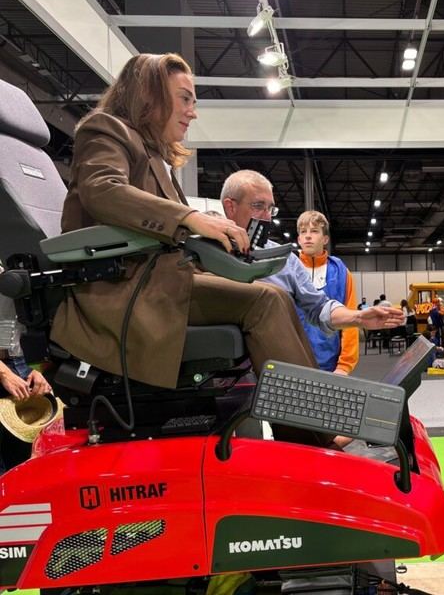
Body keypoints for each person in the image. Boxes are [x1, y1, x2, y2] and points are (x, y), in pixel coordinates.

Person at [50, 53, 401, 445]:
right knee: (264, 301)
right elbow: (103, 191)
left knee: (273, 295)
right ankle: (310, 434)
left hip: (156, 285)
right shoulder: (105, 128)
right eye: (185, 99)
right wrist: (190, 218)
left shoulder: (155, 156)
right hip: (123, 294)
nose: (192, 112)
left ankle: (316, 419)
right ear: (150, 94)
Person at [219, 170, 402, 359]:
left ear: (325, 239)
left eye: (270, 209)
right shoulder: (201, 251)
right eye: (258, 206)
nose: (267, 217)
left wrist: (358, 318)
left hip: (276, 367)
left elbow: (319, 307)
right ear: (230, 207)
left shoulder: (286, 260)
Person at [294, 210, 358, 375]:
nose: (308, 236)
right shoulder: (286, 270)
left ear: (325, 239)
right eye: (303, 232)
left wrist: (345, 365)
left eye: (314, 231)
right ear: (298, 239)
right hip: (292, 361)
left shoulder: (341, 273)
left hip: (330, 365)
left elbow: (351, 322)